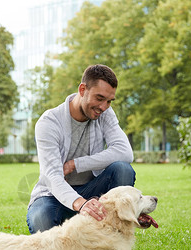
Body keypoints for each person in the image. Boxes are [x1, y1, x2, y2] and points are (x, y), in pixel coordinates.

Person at [27, 64, 135, 234]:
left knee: (122, 169)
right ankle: (67, 226)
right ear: (83, 89)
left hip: (93, 189)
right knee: (41, 219)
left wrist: (75, 164)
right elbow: (53, 176)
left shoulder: (105, 113)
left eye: (109, 101)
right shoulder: (49, 123)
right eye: (99, 98)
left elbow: (125, 152)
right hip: (54, 194)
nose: (104, 106)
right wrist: (81, 203)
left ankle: (112, 240)